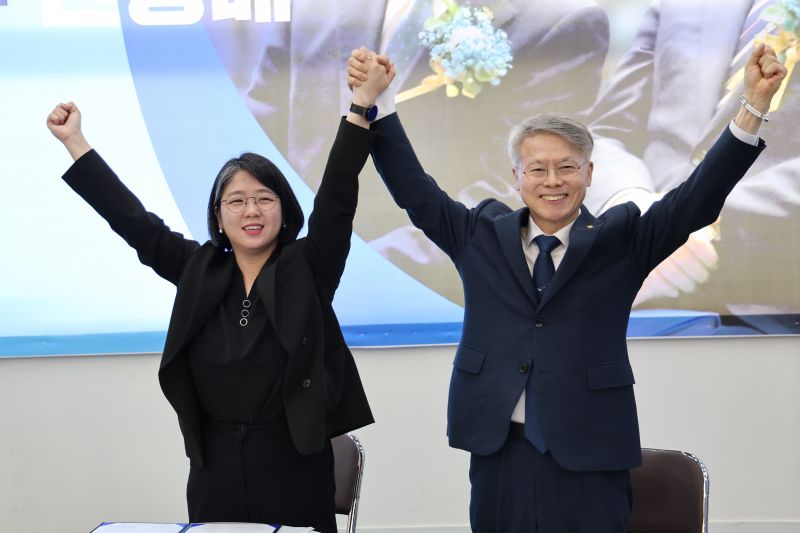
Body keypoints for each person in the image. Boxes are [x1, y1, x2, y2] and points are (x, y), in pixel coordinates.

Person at [348, 43, 785, 531]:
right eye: (537, 169)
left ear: (589, 173)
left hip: (592, 450)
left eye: (567, 167)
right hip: (500, 447)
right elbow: (415, 191)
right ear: (517, 177)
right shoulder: (479, 234)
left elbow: (696, 199)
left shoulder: (623, 240)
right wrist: (379, 104)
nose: (552, 181)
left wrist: (752, 106)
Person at [45, 59, 393, 532]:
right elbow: (132, 221)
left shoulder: (308, 267)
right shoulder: (198, 269)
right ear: (219, 215)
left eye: (264, 198)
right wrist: (75, 141)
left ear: (284, 211)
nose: (251, 210)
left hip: (295, 467)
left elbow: (335, 198)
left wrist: (361, 106)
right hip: (215, 470)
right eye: (237, 200)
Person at [239, 0, 610, 304]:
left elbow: (526, 184)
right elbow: (263, 132)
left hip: (400, 275)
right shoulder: (312, 6)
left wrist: (353, 266)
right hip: (285, 277)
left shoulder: (558, 18)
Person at [584, 0, 800, 330]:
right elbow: (610, 132)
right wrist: (632, 205)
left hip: (771, 302)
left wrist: (692, 222)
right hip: (636, 296)